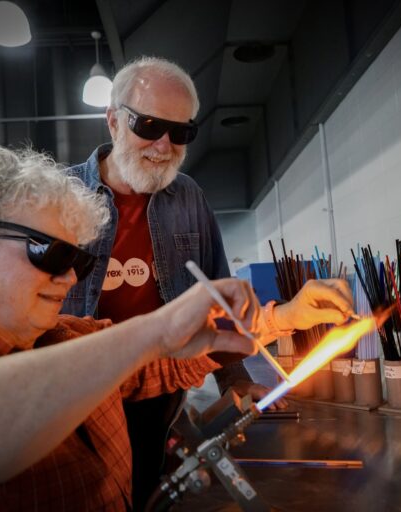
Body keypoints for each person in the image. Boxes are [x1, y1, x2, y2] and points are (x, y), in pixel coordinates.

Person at [0, 145, 354, 511]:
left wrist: (286, 317)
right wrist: (150, 331)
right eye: (49, 253)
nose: (69, 278)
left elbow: (167, 363)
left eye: (79, 261)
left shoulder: (70, 336)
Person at [61, 56, 357, 509]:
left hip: (163, 395)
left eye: (180, 132)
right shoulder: (60, 198)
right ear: (113, 121)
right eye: (149, 125)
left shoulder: (188, 198)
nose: (164, 145)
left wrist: (234, 380)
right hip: (78, 403)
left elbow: (219, 297)